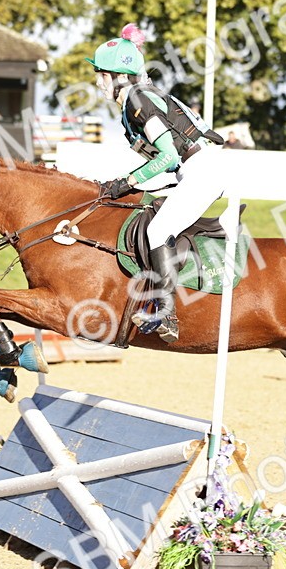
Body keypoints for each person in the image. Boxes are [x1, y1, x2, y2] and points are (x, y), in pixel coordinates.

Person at [89, 23, 225, 344]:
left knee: (156, 230)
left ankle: (165, 310)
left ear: (120, 77)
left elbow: (164, 156)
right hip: (191, 170)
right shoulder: (136, 100)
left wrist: (127, 181)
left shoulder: (138, 99)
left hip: (201, 170)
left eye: (102, 75)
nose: (97, 82)